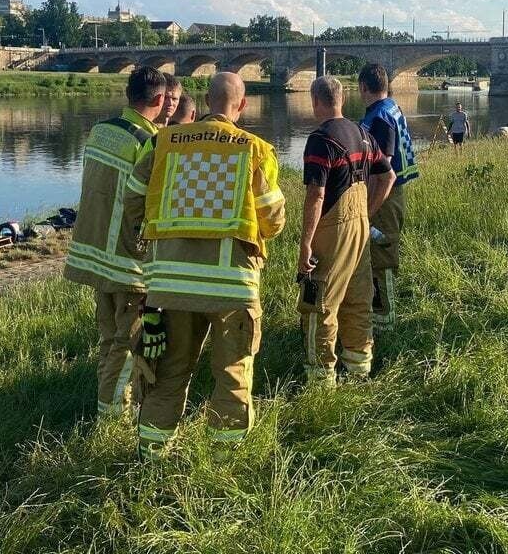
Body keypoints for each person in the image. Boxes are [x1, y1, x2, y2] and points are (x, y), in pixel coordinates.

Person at [122, 72, 286, 459]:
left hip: (171, 284)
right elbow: (273, 219)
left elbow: (133, 199)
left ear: (205, 101)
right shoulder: (255, 149)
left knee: (168, 373)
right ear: (241, 106)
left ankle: (152, 457)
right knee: (231, 374)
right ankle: (223, 462)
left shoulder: (163, 142)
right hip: (232, 285)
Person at [63, 66, 167, 418]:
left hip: (93, 254)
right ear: (160, 99)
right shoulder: (148, 142)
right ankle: (110, 418)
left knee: (108, 340)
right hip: (126, 260)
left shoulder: (99, 131)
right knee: (127, 343)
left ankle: (107, 402)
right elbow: (152, 201)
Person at [298, 76, 394, 387]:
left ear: (316, 101)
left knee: (320, 303)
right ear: (342, 98)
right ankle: (360, 367)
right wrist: (367, 213)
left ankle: (321, 379)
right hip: (360, 228)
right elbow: (388, 176)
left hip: (332, 231)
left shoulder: (321, 139)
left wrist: (306, 245)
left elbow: (317, 195)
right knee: (358, 299)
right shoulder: (362, 133)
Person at [355, 63, 420, 331]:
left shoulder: (378, 118)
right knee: (379, 255)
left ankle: (385, 318)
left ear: (362, 87)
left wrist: (368, 210)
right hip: (390, 194)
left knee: (382, 258)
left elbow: (385, 172)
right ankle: (379, 311)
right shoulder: (391, 106)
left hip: (384, 196)